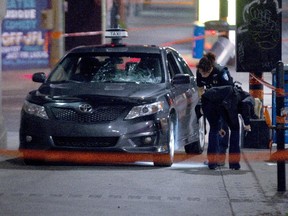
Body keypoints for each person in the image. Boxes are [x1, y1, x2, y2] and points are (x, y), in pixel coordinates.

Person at [201, 85, 258, 170]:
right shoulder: (250, 98)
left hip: (207, 100)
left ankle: (212, 163)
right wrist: (247, 123)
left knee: (214, 130)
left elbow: (219, 111)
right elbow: (245, 104)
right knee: (235, 130)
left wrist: (220, 127)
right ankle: (234, 164)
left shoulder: (237, 93)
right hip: (226, 101)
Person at [195, 52, 234, 167]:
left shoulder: (221, 72)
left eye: (205, 73)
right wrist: (202, 102)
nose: (202, 75)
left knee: (222, 127)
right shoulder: (200, 72)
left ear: (211, 69)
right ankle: (212, 159)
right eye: (201, 72)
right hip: (211, 101)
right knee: (213, 129)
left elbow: (229, 91)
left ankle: (221, 156)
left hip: (225, 101)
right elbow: (200, 88)